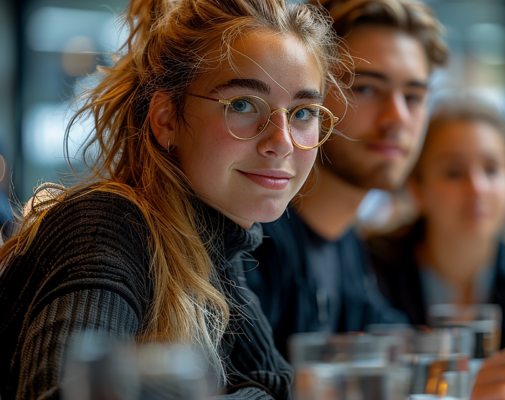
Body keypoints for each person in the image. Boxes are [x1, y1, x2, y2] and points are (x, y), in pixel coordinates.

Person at [0, 0, 349, 398]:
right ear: (166, 119)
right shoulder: (106, 227)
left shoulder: (217, 255)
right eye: (242, 105)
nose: (281, 142)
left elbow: (277, 387)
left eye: (303, 112)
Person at [245, 0, 449, 359]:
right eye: (366, 88)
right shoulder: (253, 245)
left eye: (414, 97)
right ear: (310, 95)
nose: (397, 118)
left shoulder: (346, 243)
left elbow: (399, 348)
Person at [368, 97, 505, 351]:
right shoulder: (373, 269)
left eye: (491, 169)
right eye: (454, 172)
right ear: (416, 188)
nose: (477, 188)